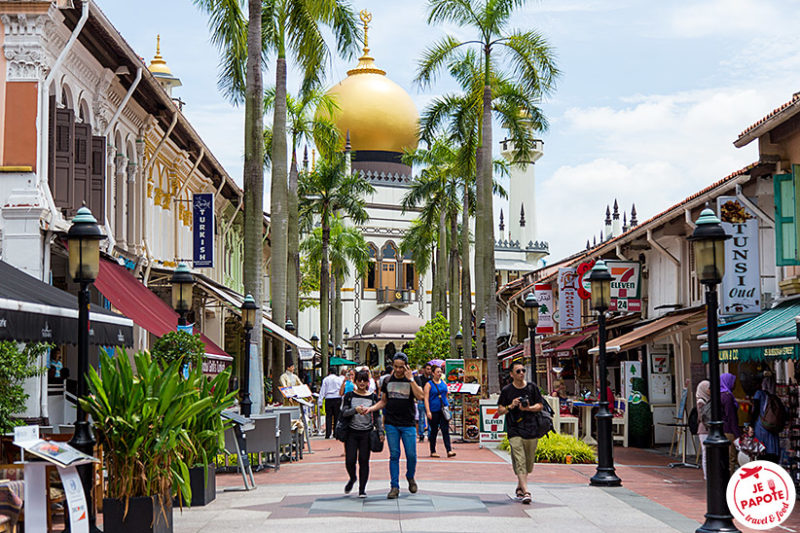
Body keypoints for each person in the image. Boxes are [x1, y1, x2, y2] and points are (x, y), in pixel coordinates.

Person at [364, 352, 425, 499]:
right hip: (391, 423)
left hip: (408, 423)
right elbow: (383, 400)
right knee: (394, 455)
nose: (398, 370)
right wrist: (371, 409)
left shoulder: (413, 380)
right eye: (396, 367)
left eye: (401, 367)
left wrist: (411, 380)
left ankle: (410, 476)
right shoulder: (387, 381)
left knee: (411, 455)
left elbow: (421, 396)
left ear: (406, 367)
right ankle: (394, 486)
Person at [497, 361, 544, 505]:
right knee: (519, 460)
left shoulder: (532, 388)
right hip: (514, 429)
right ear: (511, 374)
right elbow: (500, 411)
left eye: (523, 370)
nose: (521, 373)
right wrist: (511, 406)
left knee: (528, 463)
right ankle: (526, 491)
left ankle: (519, 486)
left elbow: (540, 405)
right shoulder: (507, 391)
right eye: (518, 371)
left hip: (531, 428)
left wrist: (529, 408)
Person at [340, 369, 384, 497]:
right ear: (356, 381)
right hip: (351, 433)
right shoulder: (349, 396)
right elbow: (344, 412)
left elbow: (377, 416)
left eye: (365, 380)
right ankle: (352, 478)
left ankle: (362, 489)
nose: (362, 383)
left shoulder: (372, 397)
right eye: (360, 380)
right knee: (350, 460)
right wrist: (355, 410)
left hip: (367, 433)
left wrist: (380, 431)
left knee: (364, 461)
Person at [424, 365, 456, 458]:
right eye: (437, 372)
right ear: (433, 373)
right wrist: (428, 411)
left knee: (445, 430)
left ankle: (449, 450)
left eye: (440, 372)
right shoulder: (429, 384)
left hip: (443, 410)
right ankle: (433, 450)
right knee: (434, 430)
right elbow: (426, 398)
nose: (439, 374)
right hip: (434, 410)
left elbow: (446, 395)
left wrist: (448, 407)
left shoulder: (443, 383)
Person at [750, 373, 782, 463]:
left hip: (761, 426)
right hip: (772, 427)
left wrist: (751, 425)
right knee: (772, 453)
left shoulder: (759, 394)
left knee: (762, 453)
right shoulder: (774, 396)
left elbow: (755, 411)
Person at [720, 372, 742, 474]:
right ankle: (729, 480)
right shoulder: (728, 397)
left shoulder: (719, 395)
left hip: (721, 430)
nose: (734, 385)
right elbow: (731, 417)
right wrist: (737, 435)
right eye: (733, 382)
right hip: (728, 431)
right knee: (731, 458)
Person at [319, 368, 344, 439]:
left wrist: (320, 401)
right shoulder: (339, 379)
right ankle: (336, 433)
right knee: (337, 416)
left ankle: (328, 433)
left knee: (328, 416)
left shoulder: (326, 379)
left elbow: (322, 390)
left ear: (329, 372)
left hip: (328, 398)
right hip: (337, 398)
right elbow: (341, 389)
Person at [696, 379, 710, 479]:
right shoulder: (701, 401)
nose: (710, 390)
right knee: (706, 453)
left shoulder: (709, 399)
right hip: (704, 429)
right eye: (708, 388)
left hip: (707, 429)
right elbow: (702, 416)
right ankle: (707, 475)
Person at [415, 363, 432, 442]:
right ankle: (421, 435)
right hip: (421, 400)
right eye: (427, 369)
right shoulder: (419, 378)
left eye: (430, 369)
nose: (429, 371)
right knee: (421, 418)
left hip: (430, 400)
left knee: (430, 418)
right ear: (424, 369)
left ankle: (430, 435)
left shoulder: (432, 379)